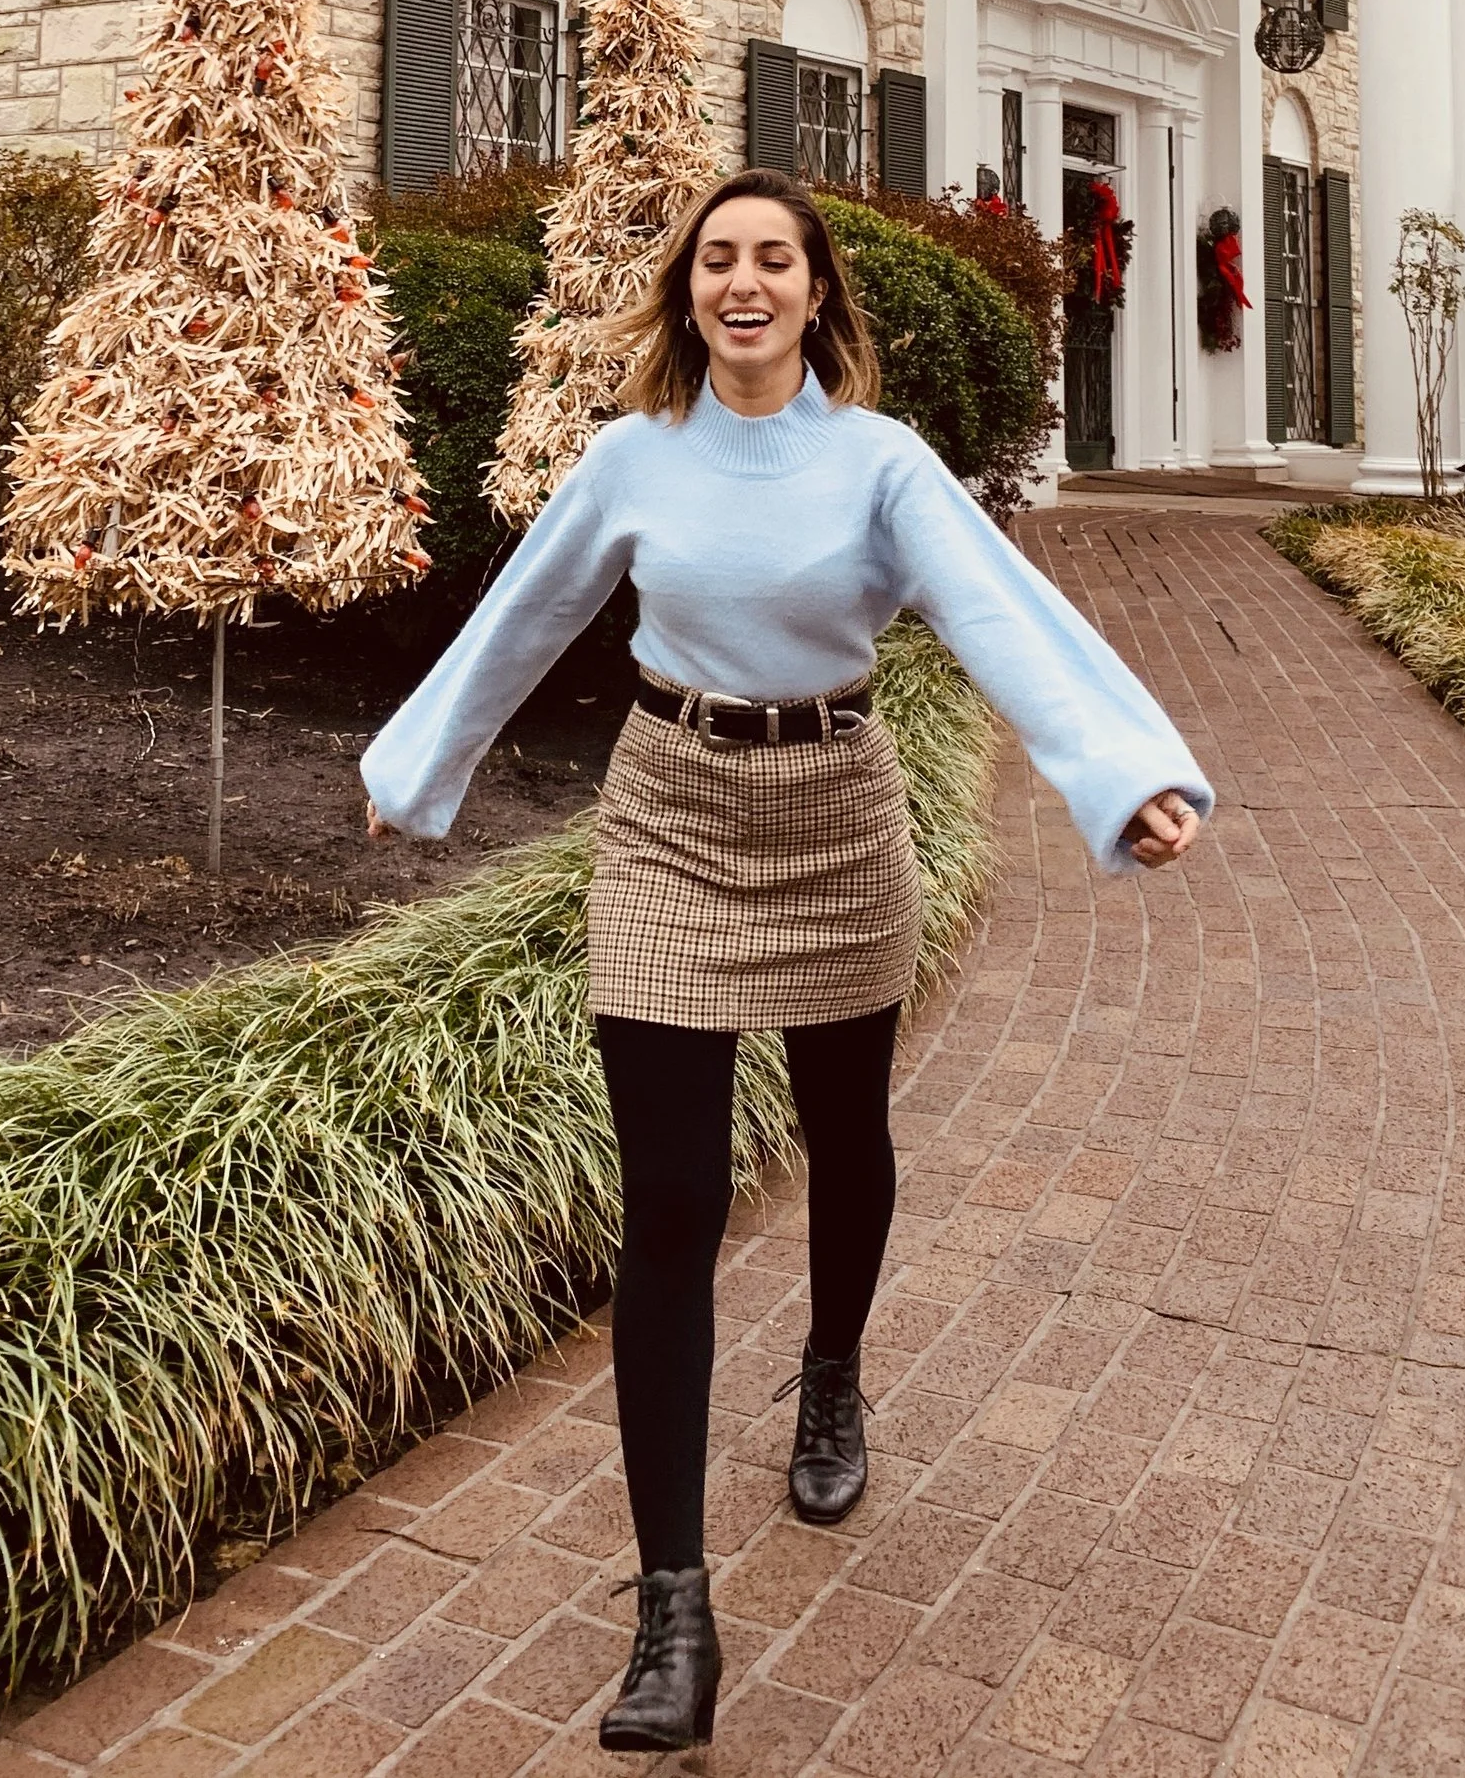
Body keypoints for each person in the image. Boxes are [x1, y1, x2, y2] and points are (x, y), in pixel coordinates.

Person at [362, 169, 1209, 1756]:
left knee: (851, 1134)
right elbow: (523, 618)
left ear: (819, 293)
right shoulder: (633, 457)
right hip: (671, 813)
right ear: (689, 294)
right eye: (717, 262)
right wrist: (419, 767)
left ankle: (831, 1374)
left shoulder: (880, 463)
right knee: (670, 1205)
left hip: (833, 811)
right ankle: (673, 1607)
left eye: (774, 261)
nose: (743, 283)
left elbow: (997, 614)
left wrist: (1118, 774)